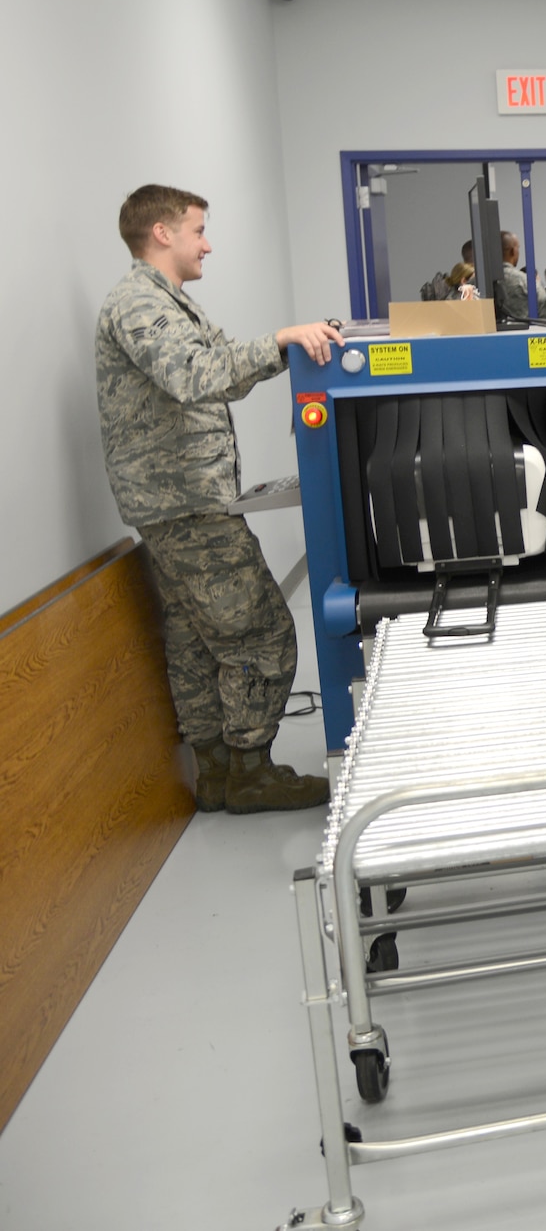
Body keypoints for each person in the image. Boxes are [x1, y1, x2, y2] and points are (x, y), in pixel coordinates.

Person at [95, 185, 345, 814]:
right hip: (183, 504)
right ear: (162, 233)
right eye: (198, 230)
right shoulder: (137, 303)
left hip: (179, 501)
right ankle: (252, 773)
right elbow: (194, 376)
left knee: (196, 641)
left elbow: (223, 367)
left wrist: (292, 348)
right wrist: (281, 337)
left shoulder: (170, 303)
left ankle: (216, 775)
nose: (207, 243)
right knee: (263, 634)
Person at [496, 230, 530, 320]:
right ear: (513, 251)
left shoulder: (473, 284)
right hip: (525, 332)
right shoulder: (525, 281)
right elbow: (545, 308)